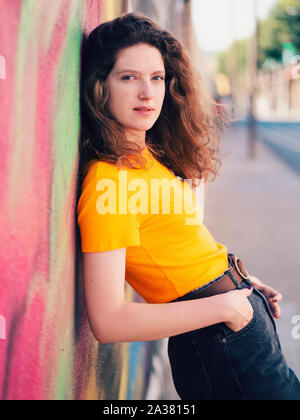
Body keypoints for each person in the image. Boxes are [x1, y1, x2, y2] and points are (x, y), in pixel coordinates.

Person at [77, 12, 300, 400]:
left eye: (157, 78)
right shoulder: (108, 183)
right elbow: (109, 320)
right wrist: (226, 308)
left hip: (239, 328)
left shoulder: (145, 158)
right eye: (129, 77)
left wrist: (246, 287)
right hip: (218, 343)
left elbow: (181, 248)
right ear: (101, 86)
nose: (147, 93)